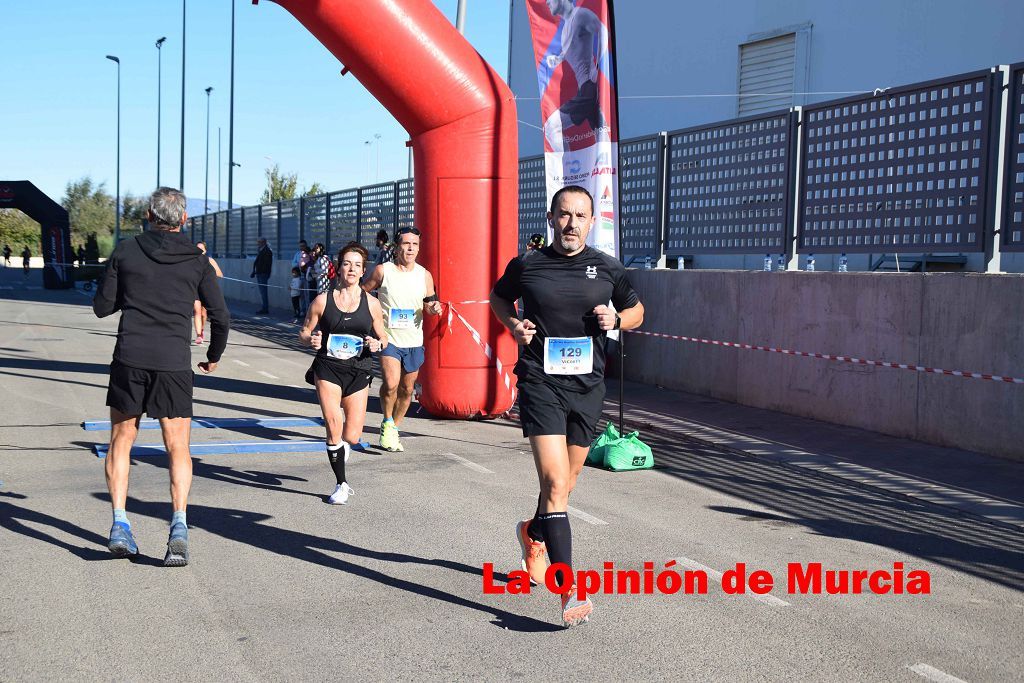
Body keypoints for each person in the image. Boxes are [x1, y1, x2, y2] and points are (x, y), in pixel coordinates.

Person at [489, 185, 644, 627]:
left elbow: (637, 312)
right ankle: (569, 585)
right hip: (540, 381)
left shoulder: (609, 269)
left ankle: (533, 532)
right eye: (564, 214)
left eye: (580, 215)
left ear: (591, 221)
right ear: (551, 217)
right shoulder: (528, 265)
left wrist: (618, 319)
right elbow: (500, 299)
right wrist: (514, 325)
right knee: (555, 482)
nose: (571, 223)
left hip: (587, 387)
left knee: (569, 482)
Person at [93, 186, 229, 567]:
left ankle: (120, 523)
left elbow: (102, 306)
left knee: (121, 439)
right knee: (178, 446)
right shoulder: (196, 259)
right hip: (172, 361)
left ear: (149, 217)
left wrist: (131, 293)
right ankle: (179, 526)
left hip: (130, 356)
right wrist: (213, 356)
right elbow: (220, 316)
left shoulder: (126, 250)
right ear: (184, 220)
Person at [299, 242, 388, 504]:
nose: (351, 269)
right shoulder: (322, 301)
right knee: (333, 425)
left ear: (363, 271)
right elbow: (304, 331)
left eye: (357, 265)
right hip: (328, 367)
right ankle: (341, 483)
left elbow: (383, 337)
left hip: (359, 369)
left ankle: (341, 448)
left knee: (351, 435)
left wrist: (377, 344)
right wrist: (310, 339)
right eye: (347, 263)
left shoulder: (371, 304)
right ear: (339, 268)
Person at [361, 227, 443, 452]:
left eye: (414, 244)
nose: (410, 248)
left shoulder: (424, 275)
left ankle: (394, 428)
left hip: (414, 341)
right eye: (406, 244)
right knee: (391, 383)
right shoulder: (383, 271)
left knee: (407, 390)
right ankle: (387, 421)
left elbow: (430, 303)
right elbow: (362, 294)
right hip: (390, 340)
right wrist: (375, 318)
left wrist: (434, 308)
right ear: (397, 247)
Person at [541, 0, 609, 153]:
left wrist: (598, 66)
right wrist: (558, 58)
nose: (546, 2)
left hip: (588, 87)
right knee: (602, 136)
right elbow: (575, 48)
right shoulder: (566, 27)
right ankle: (603, 171)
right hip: (586, 88)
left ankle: (566, 172)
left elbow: (603, 32)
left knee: (551, 127)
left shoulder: (581, 14)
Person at [192, 241, 223, 345]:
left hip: (205, 288)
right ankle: (198, 335)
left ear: (205, 251)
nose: (199, 251)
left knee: (204, 313)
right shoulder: (191, 261)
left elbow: (220, 274)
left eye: (201, 249)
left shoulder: (210, 261)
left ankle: (201, 330)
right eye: (197, 248)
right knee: (197, 311)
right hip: (195, 288)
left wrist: (210, 273)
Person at [251, 237, 273, 314]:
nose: (258, 244)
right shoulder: (261, 250)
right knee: (262, 292)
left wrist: (260, 271)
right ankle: (264, 307)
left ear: (263, 242)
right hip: (259, 273)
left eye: (259, 242)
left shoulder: (267, 251)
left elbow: (267, 264)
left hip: (263, 274)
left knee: (263, 292)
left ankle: (265, 308)